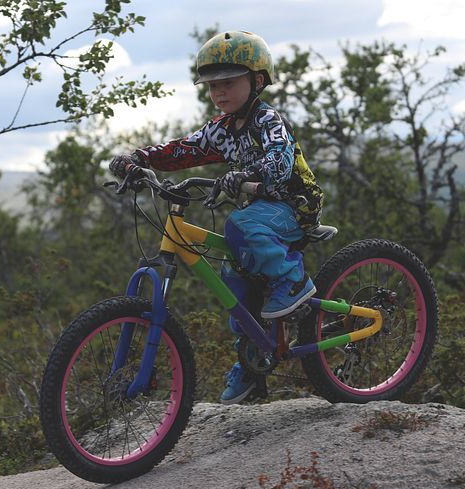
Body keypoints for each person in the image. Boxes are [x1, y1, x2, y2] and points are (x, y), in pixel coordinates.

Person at [109, 30, 323, 405]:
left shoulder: (267, 119)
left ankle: (293, 283)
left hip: (294, 205)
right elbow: (182, 150)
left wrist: (248, 173)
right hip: (259, 209)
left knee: (240, 225)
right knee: (231, 276)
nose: (219, 92)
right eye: (211, 86)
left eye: (228, 82)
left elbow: (281, 159)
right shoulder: (220, 129)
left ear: (257, 81)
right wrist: (139, 159)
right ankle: (253, 357)